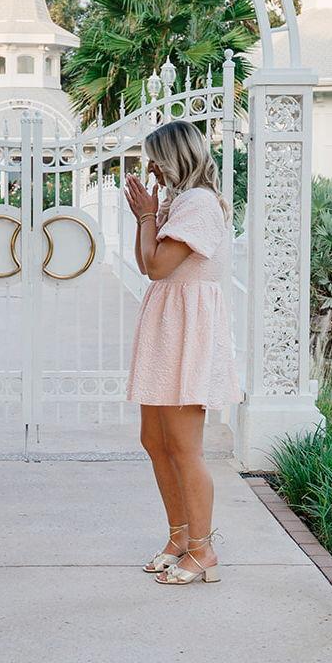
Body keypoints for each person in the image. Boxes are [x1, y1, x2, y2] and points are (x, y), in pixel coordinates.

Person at [123, 120, 241, 586]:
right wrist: (147, 218)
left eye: (155, 156)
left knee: (186, 447)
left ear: (174, 157)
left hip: (188, 330)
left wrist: (148, 217)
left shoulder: (200, 203)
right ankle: (179, 535)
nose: (149, 165)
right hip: (168, 323)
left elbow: (157, 265)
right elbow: (147, 262)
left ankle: (203, 548)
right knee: (155, 440)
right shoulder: (177, 202)